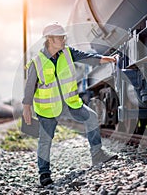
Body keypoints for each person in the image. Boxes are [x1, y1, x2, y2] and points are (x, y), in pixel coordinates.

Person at [22, 22, 118, 186]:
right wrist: (26, 108)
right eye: (61, 37)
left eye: (64, 37)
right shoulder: (37, 62)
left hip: (69, 104)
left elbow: (87, 57)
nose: (64, 40)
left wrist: (107, 59)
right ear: (50, 39)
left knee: (92, 118)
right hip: (48, 109)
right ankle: (44, 173)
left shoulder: (67, 52)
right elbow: (30, 86)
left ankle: (97, 155)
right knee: (45, 141)